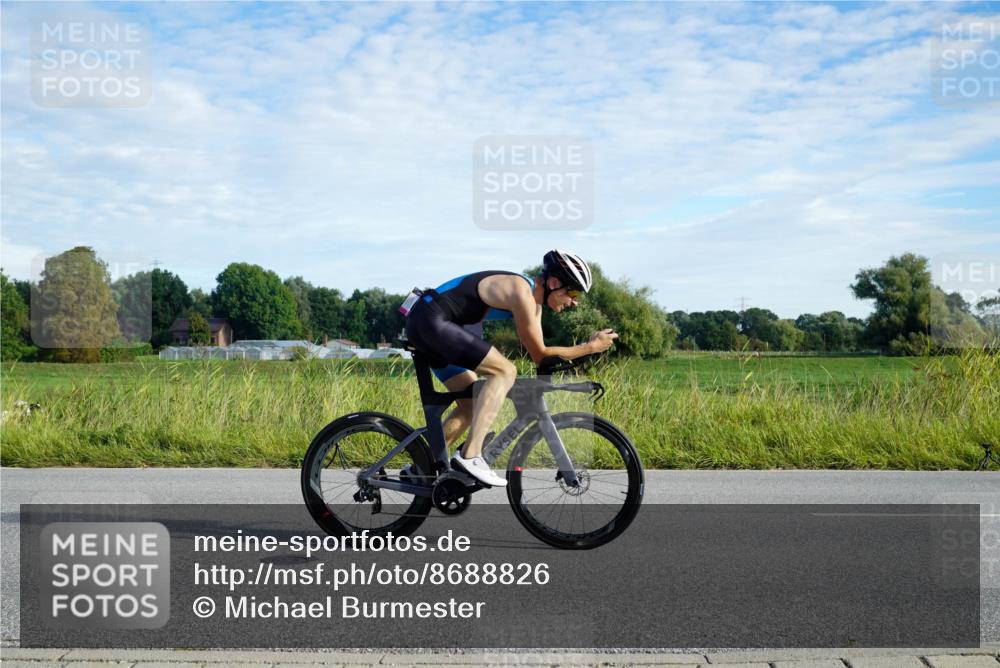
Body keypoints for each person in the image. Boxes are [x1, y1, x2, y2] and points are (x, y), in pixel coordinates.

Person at [403, 250, 617, 487]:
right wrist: (590, 347)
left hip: (436, 323)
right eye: (573, 292)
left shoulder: (535, 306)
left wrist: (572, 360)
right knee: (505, 371)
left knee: (471, 404)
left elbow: (541, 358)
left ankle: (420, 468)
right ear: (554, 283)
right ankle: (471, 457)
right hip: (432, 321)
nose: (575, 302)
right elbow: (541, 353)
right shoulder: (521, 291)